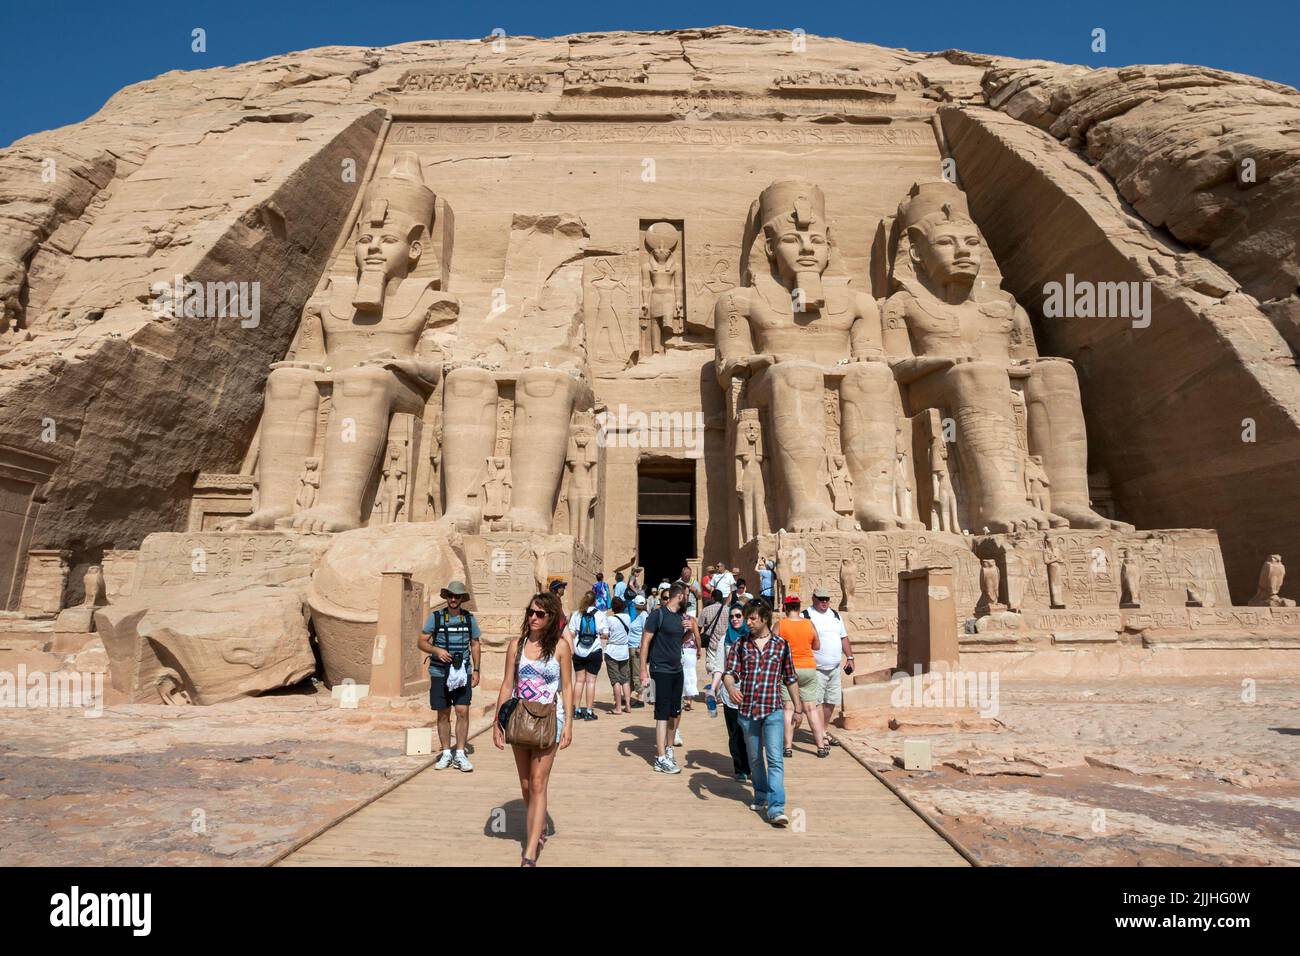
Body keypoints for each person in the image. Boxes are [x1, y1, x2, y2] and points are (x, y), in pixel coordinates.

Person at [492, 591, 574, 866]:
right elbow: (506, 684)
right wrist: (497, 722)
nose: (533, 618)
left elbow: (568, 686)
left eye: (540, 614)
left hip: (550, 718)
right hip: (519, 716)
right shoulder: (516, 645)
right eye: (531, 612)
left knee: (539, 782)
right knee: (526, 784)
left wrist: (569, 725)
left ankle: (529, 851)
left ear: (551, 617)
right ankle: (538, 827)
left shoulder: (561, 648)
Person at [723, 598, 799, 827]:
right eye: (746, 617)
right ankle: (761, 794)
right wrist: (730, 687)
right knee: (755, 759)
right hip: (747, 711)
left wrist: (798, 707)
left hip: (773, 709)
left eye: (752, 618)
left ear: (765, 618)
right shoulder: (741, 645)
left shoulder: (781, 645)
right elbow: (729, 673)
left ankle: (776, 808)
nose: (748, 622)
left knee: (775, 759)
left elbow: (790, 678)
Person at [418, 580, 481, 772]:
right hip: (439, 672)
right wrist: (436, 650)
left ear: (462, 599)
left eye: (457, 596)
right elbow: (421, 642)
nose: (453, 599)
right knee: (443, 713)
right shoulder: (435, 618)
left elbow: (476, 644)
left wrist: (476, 670)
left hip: (462, 672)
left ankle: (460, 753)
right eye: (450, 596)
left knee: (462, 711)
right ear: (447, 597)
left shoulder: (469, 619)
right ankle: (446, 752)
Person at [640, 582, 688, 774]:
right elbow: (645, 642)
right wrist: (643, 670)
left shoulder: (679, 618)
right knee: (662, 713)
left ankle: (668, 749)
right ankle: (659, 758)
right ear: (680, 596)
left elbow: (678, 642)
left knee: (674, 713)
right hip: (660, 670)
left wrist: (690, 631)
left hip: (677, 670)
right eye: (686, 595)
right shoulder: (657, 615)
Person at [776, 596, 830, 758]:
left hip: (788, 669)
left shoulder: (781, 624)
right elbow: (817, 645)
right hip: (808, 667)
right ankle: (820, 746)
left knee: (788, 708)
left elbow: (773, 644)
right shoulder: (808, 623)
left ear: (785, 608)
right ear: (799, 608)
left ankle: (787, 747)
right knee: (811, 708)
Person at [804, 585, 854, 748]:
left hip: (834, 667)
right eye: (821, 599)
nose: (824, 602)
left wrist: (850, 657)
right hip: (815, 668)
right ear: (814, 599)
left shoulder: (835, 615)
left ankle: (823, 731)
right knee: (816, 702)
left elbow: (843, 637)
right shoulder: (806, 616)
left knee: (831, 700)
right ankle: (821, 735)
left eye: (826, 599)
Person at [708, 602, 751, 781]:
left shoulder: (752, 637)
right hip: (730, 691)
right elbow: (720, 666)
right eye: (732, 616)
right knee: (735, 732)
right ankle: (740, 768)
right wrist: (712, 689)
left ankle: (753, 765)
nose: (734, 619)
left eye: (738, 616)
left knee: (752, 732)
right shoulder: (725, 638)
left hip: (750, 691)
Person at [567, 591, 607, 720]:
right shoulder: (600, 614)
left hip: (578, 651)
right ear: (595, 601)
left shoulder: (577, 614)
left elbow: (571, 633)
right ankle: (589, 712)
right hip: (594, 651)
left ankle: (577, 710)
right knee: (591, 682)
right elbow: (605, 634)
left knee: (579, 681)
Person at [605, 596, 633, 714]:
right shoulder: (627, 618)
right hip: (624, 651)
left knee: (615, 680)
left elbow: (606, 634)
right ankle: (627, 705)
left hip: (612, 650)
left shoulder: (610, 619)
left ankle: (618, 708)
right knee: (625, 679)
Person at [627, 594, 647, 705]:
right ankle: (629, 695)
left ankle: (640, 698)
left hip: (636, 647)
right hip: (632, 646)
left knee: (636, 673)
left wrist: (641, 646)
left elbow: (645, 631)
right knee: (631, 672)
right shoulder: (639, 615)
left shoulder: (643, 615)